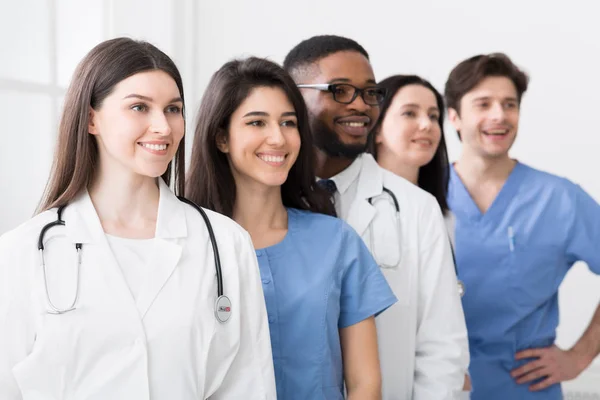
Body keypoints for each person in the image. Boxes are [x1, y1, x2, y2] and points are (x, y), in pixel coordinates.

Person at [0, 38, 276, 399]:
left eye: (173, 109)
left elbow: (248, 385)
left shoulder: (225, 243)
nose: (163, 126)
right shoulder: (22, 251)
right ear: (90, 118)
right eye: (139, 107)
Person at [186, 56, 397, 400]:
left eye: (288, 123)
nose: (278, 138)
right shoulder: (188, 244)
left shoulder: (336, 242)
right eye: (256, 123)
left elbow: (365, 384)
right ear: (221, 138)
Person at [284, 34, 469, 400]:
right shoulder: (266, 201)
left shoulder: (416, 208)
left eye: (370, 92)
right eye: (340, 90)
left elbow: (442, 348)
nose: (360, 105)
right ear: (292, 95)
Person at [444, 52, 600, 399]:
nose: (499, 115)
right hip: (435, 386)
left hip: (524, 387)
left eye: (509, 104)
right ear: (454, 116)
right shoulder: (424, 198)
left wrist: (581, 355)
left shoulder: (559, 199)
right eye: (483, 104)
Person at [366, 74, 471, 396]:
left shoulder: (443, 216)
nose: (426, 124)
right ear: (377, 128)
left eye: (434, 116)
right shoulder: (352, 208)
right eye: (410, 113)